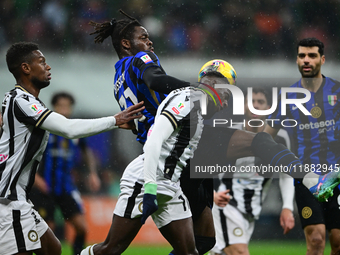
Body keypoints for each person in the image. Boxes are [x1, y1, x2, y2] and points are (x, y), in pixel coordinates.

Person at [0, 41, 144, 255]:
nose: (48, 67)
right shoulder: (20, 100)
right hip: (7, 199)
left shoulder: (25, 102)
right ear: (25, 68)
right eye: (41, 62)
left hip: (20, 197)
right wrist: (115, 119)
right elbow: (68, 128)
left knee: (52, 248)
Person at [81, 63, 231, 255]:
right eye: (225, 96)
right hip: (145, 179)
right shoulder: (187, 100)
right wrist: (150, 189)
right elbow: (153, 142)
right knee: (111, 249)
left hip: (170, 185)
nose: (225, 104)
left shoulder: (198, 110)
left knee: (190, 252)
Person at [264, 37, 340, 255]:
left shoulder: (337, 91)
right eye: (302, 55)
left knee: (338, 242)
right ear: (297, 60)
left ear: (322, 59)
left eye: (312, 55)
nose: (306, 60)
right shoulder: (288, 97)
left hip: (338, 178)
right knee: (316, 239)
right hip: (306, 178)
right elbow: (267, 137)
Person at [210, 88, 295, 255]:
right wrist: (211, 193)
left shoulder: (280, 138)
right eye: (252, 102)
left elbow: (286, 174)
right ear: (243, 107)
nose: (255, 106)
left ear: (269, 108)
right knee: (241, 252)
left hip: (251, 211)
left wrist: (287, 207)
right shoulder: (229, 133)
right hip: (227, 204)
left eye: (260, 102)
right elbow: (205, 165)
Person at [30, 92, 101, 255]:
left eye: (67, 106)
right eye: (60, 106)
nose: (64, 109)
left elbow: (86, 151)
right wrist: (35, 177)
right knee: (48, 232)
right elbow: (28, 154)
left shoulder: (74, 130)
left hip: (66, 188)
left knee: (82, 228)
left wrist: (92, 173)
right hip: (43, 188)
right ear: (54, 107)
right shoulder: (44, 128)